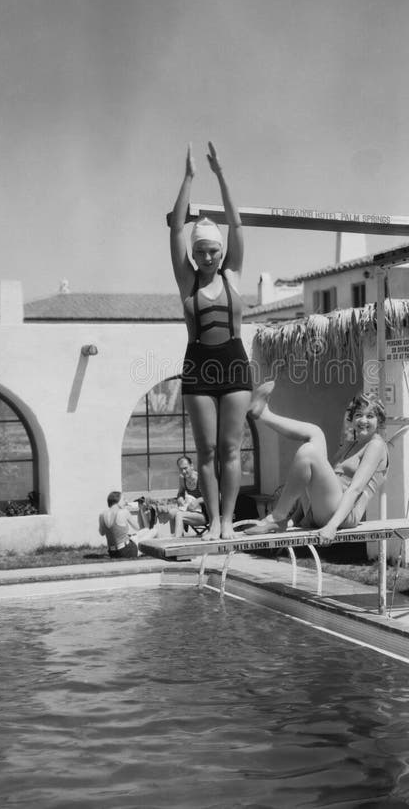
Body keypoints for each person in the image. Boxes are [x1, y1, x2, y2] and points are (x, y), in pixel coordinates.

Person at [169, 142, 252, 540]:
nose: (206, 257)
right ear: (194, 253)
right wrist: (188, 178)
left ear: (221, 253)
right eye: (200, 251)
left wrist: (220, 174)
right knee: (206, 452)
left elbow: (237, 225)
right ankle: (212, 516)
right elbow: (175, 227)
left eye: (212, 251)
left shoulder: (232, 274)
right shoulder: (188, 282)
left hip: (234, 364)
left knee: (232, 449)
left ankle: (226, 521)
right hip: (199, 366)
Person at [244, 383, 389, 545]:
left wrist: (332, 527)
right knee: (316, 433)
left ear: (380, 420)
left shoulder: (376, 445)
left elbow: (355, 489)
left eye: (370, 416)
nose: (363, 420)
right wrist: (293, 520)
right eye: (359, 415)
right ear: (353, 418)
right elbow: (314, 481)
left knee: (309, 451)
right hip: (322, 509)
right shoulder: (352, 444)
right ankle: (263, 414)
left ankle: (277, 516)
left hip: (344, 515)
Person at [98, 491, 157, 558]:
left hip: (112, 553)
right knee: (154, 531)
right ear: (117, 501)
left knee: (143, 532)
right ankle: (161, 552)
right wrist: (143, 511)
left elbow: (102, 533)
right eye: (123, 499)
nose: (126, 502)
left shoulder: (102, 515)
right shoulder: (124, 512)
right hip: (127, 551)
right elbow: (137, 528)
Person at [167, 455, 209, 537]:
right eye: (180, 469)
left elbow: (212, 496)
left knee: (179, 515)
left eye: (185, 468)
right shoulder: (182, 478)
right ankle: (178, 536)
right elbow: (180, 492)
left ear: (192, 466)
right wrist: (180, 498)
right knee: (171, 513)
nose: (183, 471)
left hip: (205, 514)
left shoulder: (201, 478)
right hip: (190, 510)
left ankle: (176, 542)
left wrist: (197, 501)